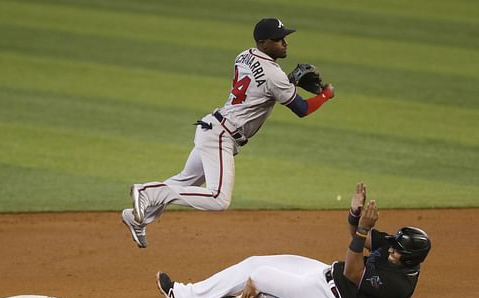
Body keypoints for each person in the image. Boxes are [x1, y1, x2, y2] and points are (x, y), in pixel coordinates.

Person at [121, 18, 335, 248]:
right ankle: (145, 191)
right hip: (221, 135)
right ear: (263, 43)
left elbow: (260, 87)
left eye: (285, 38)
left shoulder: (244, 55)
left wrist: (289, 82)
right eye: (278, 39)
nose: (284, 43)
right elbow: (301, 109)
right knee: (218, 198)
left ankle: (135, 218)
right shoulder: (275, 76)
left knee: (184, 180)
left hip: (212, 127)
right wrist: (325, 95)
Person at [155, 182, 432, 298]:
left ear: (407, 259)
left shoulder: (399, 285)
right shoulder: (396, 250)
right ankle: (183, 296)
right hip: (324, 274)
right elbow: (356, 234)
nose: (390, 249)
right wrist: (355, 213)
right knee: (255, 262)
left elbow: (352, 271)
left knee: (261, 276)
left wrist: (362, 231)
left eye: (395, 250)